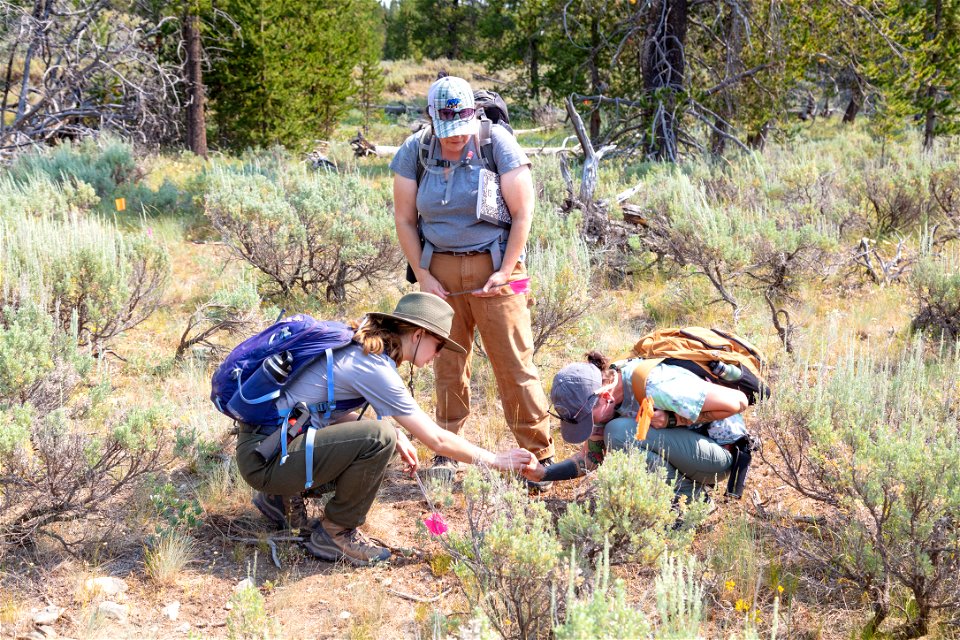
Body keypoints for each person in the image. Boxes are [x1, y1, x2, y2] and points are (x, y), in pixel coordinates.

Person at [236, 292, 538, 566]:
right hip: (266, 458)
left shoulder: (360, 350)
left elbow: (322, 412)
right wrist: (497, 461)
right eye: (439, 344)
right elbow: (436, 439)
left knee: (387, 434)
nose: (439, 353)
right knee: (380, 437)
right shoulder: (374, 366)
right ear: (418, 335)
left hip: (266, 449)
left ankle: (280, 498)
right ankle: (335, 532)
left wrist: (397, 434)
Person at [390, 75, 555, 487]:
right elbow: (405, 219)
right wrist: (424, 275)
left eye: (460, 130)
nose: (454, 139)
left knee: (515, 365)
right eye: (446, 132)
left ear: (473, 115)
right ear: (431, 119)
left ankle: (536, 457)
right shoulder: (417, 149)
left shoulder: (496, 143)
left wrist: (505, 270)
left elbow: (523, 213)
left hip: (498, 269)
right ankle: (447, 448)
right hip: (439, 274)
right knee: (445, 361)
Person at [523, 351, 749, 504]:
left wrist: (675, 420)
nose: (590, 426)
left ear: (603, 396)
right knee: (617, 432)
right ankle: (686, 494)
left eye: (587, 419)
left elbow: (738, 401)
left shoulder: (656, 386)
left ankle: (689, 501)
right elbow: (591, 458)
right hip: (688, 450)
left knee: (619, 433)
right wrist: (544, 473)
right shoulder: (605, 396)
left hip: (721, 455)